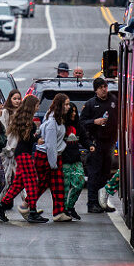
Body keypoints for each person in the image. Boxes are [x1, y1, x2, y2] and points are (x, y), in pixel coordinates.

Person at [0, 95, 47, 224]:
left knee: (18, 183)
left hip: (21, 153)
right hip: (24, 154)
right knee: (32, 182)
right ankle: (32, 211)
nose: (38, 107)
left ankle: (1, 207)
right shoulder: (27, 121)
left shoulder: (21, 118)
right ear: (32, 106)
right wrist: (37, 139)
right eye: (37, 105)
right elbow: (26, 139)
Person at [31, 93, 72, 222]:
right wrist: (53, 163)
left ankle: (58, 212)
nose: (68, 107)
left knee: (57, 185)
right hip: (47, 157)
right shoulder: (52, 122)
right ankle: (27, 204)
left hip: (53, 156)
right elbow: (51, 145)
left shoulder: (58, 118)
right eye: (66, 104)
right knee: (42, 184)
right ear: (60, 105)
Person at [80, 77, 118, 213]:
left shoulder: (113, 101)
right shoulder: (90, 104)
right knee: (94, 174)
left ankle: (103, 202)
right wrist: (94, 122)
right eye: (101, 87)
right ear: (96, 90)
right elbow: (82, 122)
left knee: (105, 174)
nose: (104, 89)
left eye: (105, 87)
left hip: (110, 143)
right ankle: (92, 203)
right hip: (96, 143)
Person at [62, 102, 94, 220]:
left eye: (75, 111)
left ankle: (70, 206)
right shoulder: (61, 125)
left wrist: (90, 145)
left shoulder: (78, 125)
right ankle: (64, 210)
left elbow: (85, 138)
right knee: (65, 187)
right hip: (64, 160)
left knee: (79, 182)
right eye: (72, 111)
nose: (74, 114)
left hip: (75, 159)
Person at [0, 89, 22, 203]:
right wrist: (6, 147)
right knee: (6, 179)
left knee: (21, 178)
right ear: (10, 99)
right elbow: (3, 130)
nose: (17, 101)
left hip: (18, 149)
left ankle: (28, 204)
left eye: (18, 99)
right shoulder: (6, 112)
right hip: (7, 150)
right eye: (14, 99)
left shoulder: (22, 112)